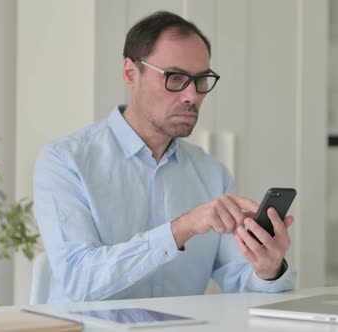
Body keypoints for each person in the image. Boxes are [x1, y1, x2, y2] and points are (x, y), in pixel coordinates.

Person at [33, 11, 296, 304]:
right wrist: (181, 229)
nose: (192, 96)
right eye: (176, 77)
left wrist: (267, 269)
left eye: (201, 80)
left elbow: (239, 279)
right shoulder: (65, 161)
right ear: (131, 74)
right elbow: (78, 280)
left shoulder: (212, 174)